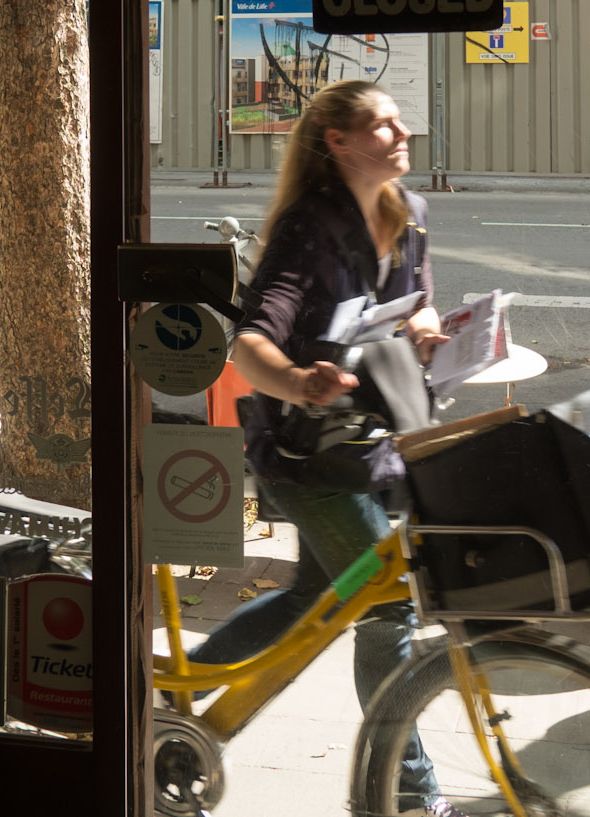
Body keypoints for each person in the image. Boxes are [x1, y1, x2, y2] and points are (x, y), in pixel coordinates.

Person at [187, 79, 452, 817]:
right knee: (390, 611)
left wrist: (426, 328)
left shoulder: (410, 215)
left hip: (373, 446)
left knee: (313, 594)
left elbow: (416, 300)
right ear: (337, 142)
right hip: (308, 454)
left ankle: (171, 700)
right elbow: (249, 343)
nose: (402, 136)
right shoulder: (308, 228)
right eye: (382, 126)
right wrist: (301, 381)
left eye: (401, 123)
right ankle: (405, 795)